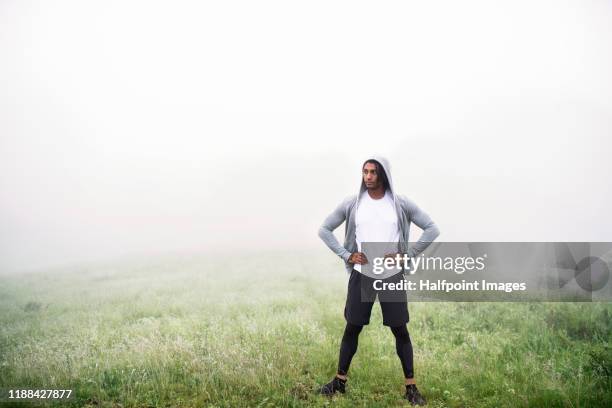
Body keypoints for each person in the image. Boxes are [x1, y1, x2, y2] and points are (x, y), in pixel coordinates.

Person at [317, 155, 440, 405]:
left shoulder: (400, 203)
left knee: (400, 330)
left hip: (391, 276)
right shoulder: (353, 203)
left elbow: (431, 228)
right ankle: (339, 383)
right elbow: (324, 230)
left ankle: (411, 388)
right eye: (365, 172)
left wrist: (406, 255)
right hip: (362, 277)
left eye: (373, 172)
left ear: (383, 174)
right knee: (352, 328)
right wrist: (347, 254)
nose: (369, 177)